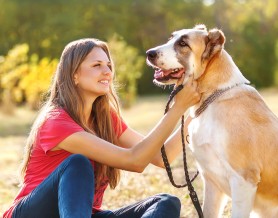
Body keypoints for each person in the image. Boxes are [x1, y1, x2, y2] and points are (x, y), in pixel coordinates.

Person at [3, 38, 200, 218]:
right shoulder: (56, 122)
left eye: (108, 65)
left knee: (165, 203)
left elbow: (160, 156)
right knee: (77, 164)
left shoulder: (105, 119)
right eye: (97, 65)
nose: (107, 71)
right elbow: (135, 161)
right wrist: (178, 108)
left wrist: (193, 112)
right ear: (74, 75)